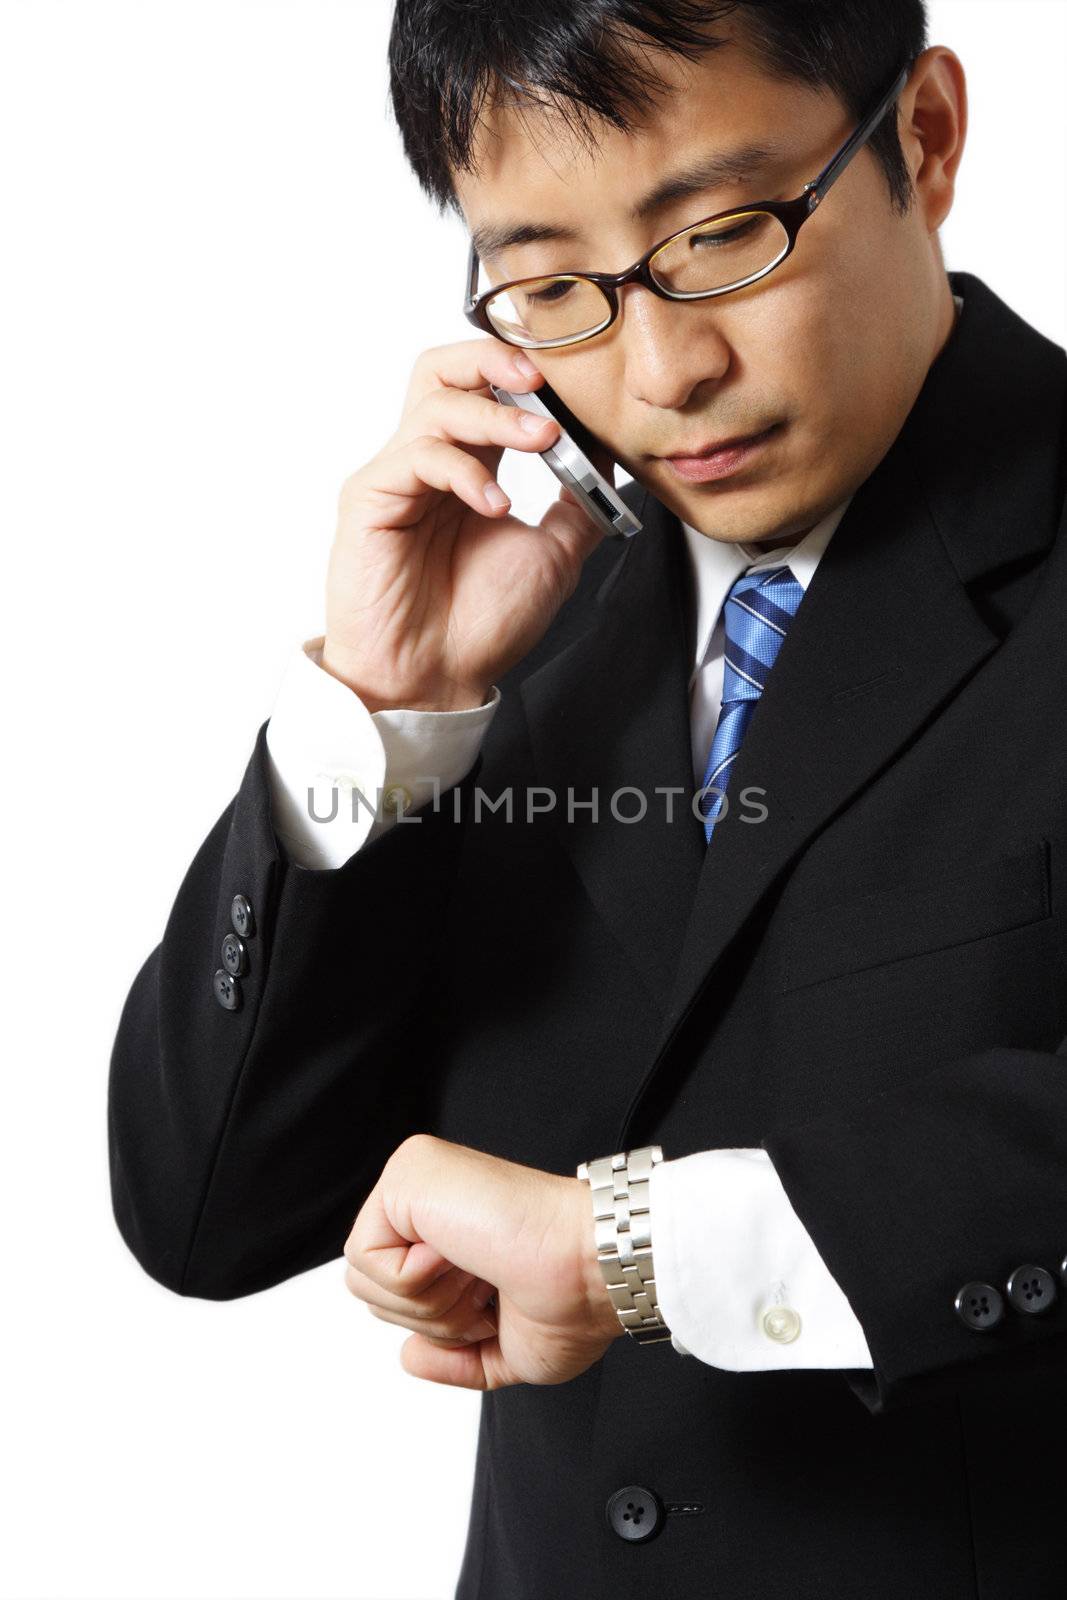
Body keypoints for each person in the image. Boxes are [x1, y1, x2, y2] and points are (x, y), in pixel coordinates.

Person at [108, 2, 1067, 1594]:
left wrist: (639, 1253)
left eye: (726, 234)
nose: (665, 368)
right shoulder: (534, 623)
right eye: (556, 288)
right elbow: (204, 1211)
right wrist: (385, 704)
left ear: (926, 138)